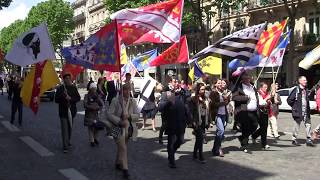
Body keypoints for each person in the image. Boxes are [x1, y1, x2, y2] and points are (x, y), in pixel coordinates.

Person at [107, 83, 139, 179]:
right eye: (125, 89)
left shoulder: (133, 101)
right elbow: (109, 114)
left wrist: (129, 116)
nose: (128, 91)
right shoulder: (115, 101)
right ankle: (125, 169)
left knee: (122, 147)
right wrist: (119, 121)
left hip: (129, 129)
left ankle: (118, 162)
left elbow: (137, 115)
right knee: (123, 148)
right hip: (116, 128)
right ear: (122, 90)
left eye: (129, 90)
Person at [158, 89, 188, 168]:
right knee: (170, 143)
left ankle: (172, 152)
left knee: (180, 140)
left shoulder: (180, 98)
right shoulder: (165, 97)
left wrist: (190, 120)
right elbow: (160, 108)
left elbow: (186, 110)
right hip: (171, 125)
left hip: (181, 125)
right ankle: (171, 160)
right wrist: (168, 102)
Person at [233, 72, 259, 153]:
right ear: (242, 80)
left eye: (249, 78)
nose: (248, 80)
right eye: (246, 78)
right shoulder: (238, 87)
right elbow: (234, 97)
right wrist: (245, 97)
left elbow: (256, 97)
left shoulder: (253, 87)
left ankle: (242, 138)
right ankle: (244, 145)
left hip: (254, 111)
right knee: (246, 128)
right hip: (244, 111)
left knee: (255, 125)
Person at [55, 74, 81, 153]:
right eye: (66, 78)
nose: (68, 79)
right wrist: (63, 96)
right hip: (63, 111)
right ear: (64, 79)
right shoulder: (61, 88)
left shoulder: (73, 88)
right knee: (64, 129)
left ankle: (68, 140)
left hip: (71, 111)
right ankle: (65, 146)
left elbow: (78, 98)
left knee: (70, 127)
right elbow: (56, 100)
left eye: (69, 78)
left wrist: (71, 99)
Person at [287, 76, 314, 146]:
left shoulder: (305, 89)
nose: (306, 81)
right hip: (298, 111)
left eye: (306, 80)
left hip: (306, 111)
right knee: (296, 125)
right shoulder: (296, 90)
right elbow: (289, 100)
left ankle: (308, 139)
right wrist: (295, 107)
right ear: (300, 81)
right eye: (304, 80)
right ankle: (294, 139)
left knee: (308, 125)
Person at [188, 82, 209, 163]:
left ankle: (194, 154)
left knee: (198, 139)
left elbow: (207, 110)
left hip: (204, 120)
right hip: (196, 121)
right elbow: (190, 111)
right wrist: (192, 121)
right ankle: (201, 156)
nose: (203, 91)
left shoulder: (205, 98)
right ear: (198, 90)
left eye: (204, 89)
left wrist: (209, 121)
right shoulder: (193, 99)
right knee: (200, 138)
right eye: (202, 89)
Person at [210, 79, 230, 157]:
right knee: (221, 131)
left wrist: (226, 99)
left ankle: (215, 148)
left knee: (220, 133)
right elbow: (213, 104)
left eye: (221, 83)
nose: (220, 84)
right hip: (217, 114)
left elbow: (227, 102)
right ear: (215, 84)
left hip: (224, 114)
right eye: (218, 83)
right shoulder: (213, 93)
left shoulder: (223, 92)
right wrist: (223, 103)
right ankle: (219, 148)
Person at [252, 82, 271, 150]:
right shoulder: (258, 93)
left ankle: (255, 137)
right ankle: (263, 143)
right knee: (262, 128)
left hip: (265, 112)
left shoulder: (267, 94)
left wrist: (269, 101)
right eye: (264, 87)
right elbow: (260, 103)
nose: (266, 88)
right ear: (261, 87)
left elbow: (267, 102)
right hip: (259, 112)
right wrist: (266, 99)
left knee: (264, 128)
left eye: (266, 87)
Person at [84, 82, 103, 147]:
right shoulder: (87, 96)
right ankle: (92, 141)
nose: (94, 90)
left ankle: (96, 138)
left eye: (95, 88)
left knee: (97, 127)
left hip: (96, 114)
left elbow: (101, 104)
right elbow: (85, 104)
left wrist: (98, 108)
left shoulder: (97, 96)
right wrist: (92, 107)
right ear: (90, 89)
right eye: (93, 88)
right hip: (89, 114)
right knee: (91, 128)